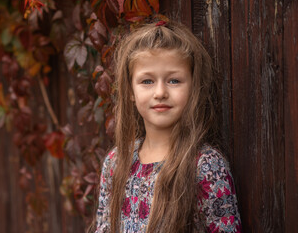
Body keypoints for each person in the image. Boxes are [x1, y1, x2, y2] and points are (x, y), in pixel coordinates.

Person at [94, 20, 242, 233]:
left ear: (194, 87)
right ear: (130, 91)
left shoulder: (205, 167)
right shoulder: (116, 163)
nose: (160, 92)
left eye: (174, 81)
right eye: (147, 81)